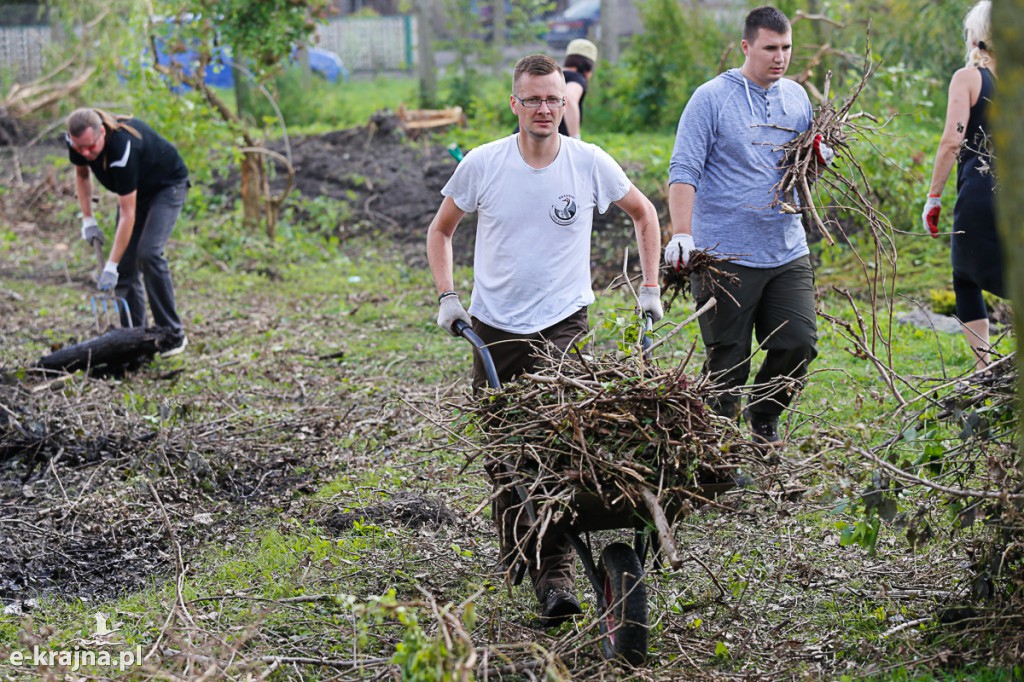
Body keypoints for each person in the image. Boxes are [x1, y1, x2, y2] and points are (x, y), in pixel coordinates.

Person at [426, 54, 663, 625]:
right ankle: (526, 551)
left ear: (566, 101)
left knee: (553, 446)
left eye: (553, 99)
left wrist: (650, 288)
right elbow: (441, 230)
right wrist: (447, 298)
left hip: (563, 323)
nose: (544, 109)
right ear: (515, 104)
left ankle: (553, 573)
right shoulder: (484, 165)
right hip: (494, 327)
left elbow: (645, 214)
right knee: (506, 456)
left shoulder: (588, 163)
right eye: (532, 99)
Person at [665, 6, 816, 445]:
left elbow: (799, 174)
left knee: (799, 342)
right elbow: (684, 169)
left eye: (787, 47)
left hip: (786, 247)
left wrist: (816, 162)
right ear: (746, 46)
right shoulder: (711, 98)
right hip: (724, 255)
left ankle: (764, 413)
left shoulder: (798, 98)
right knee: (727, 360)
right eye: (771, 48)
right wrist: (681, 234)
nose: (780, 57)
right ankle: (720, 450)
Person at [66, 108, 189, 357]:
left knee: (149, 253)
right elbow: (81, 175)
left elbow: (127, 214)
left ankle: (173, 334)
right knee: (125, 267)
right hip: (136, 192)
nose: (86, 153)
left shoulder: (122, 148)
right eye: (80, 149)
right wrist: (87, 218)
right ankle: (134, 338)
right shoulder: (77, 142)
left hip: (167, 187)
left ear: (102, 132)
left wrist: (110, 265)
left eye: (91, 146)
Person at [922, 0, 1003, 371]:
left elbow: (952, 141)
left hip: (982, 197)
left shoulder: (969, 77)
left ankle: (984, 369)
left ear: (977, 35)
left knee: (965, 275)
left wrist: (934, 196)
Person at [561, 38, 597, 139]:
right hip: (551, 145)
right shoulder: (577, 78)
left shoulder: (554, 75)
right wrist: (575, 138)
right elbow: (569, 98)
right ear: (589, 66)